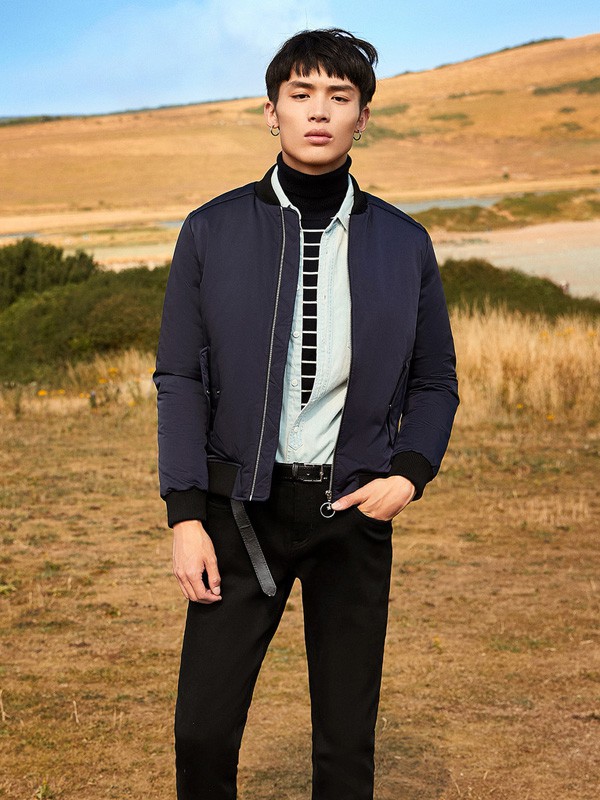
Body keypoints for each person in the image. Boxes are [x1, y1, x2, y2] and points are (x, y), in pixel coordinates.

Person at [153, 28, 459, 800]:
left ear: (363, 118)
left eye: (339, 96)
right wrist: (186, 514)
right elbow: (180, 378)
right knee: (202, 731)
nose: (319, 111)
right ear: (272, 112)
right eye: (301, 94)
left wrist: (408, 474)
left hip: (353, 511)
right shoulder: (211, 229)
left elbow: (435, 381)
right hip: (239, 513)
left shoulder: (404, 243)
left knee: (346, 743)